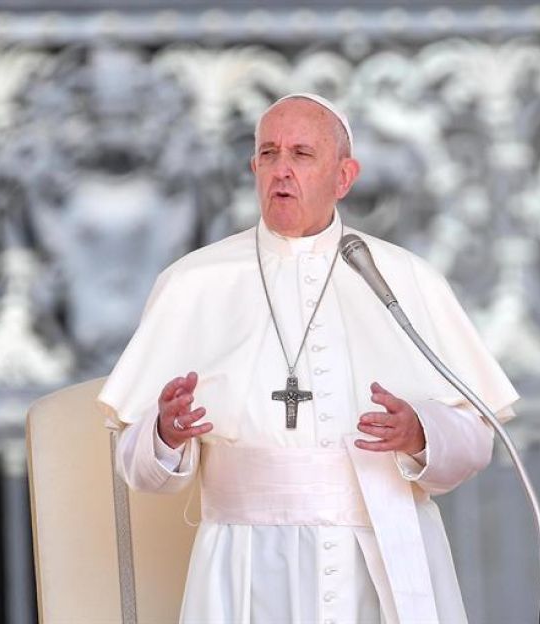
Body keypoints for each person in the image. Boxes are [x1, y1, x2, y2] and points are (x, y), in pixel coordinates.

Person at [97, 93, 518, 623]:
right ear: (253, 168)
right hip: (243, 566)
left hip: (380, 555)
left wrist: (421, 434)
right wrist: (164, 433)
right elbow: (137, 469)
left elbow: (476, 438)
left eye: (301, 154)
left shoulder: (403, 278)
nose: (282, 170)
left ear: (344, 177)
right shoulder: (193, 283)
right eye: (268, 154)